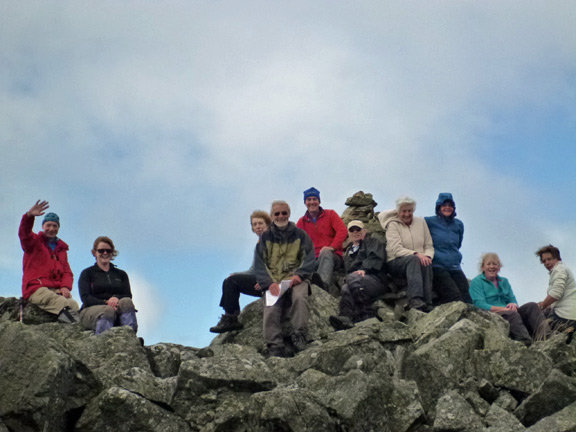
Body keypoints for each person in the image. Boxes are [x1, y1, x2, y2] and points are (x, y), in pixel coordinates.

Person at [254, 200, 315, 357]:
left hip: (296, 279)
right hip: (275, 281)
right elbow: (260, 265)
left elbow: (309, 258)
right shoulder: (264, 238)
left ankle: (300, 335)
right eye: (277, 213)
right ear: (272, 216)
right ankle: (275, 346)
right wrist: (269, 283)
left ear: (289, 214)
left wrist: (299, 275)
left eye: (284, 213)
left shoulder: (301, 235)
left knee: (300, 298)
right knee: (271, 307)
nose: (281, 216)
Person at [210, 210, 272, 333]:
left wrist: (266, 280)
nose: (258, 227)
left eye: (260, 223)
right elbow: (253, 269)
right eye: (255, 224)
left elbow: (279, 265)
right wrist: (238, 275)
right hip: (260, 281)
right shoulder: (259, 244)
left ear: (268, 225)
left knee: (232, 282)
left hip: (272, 283)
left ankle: (231, 319)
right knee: (229, 280)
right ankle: (230, 317)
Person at [19, 200, 79, 323]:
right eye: (48, 225)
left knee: (73, 304)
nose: (51, 229)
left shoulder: (61, 250)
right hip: (36, 288)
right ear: (43, 226)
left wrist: (65, 287)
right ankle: (73, 325)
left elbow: (67, 272)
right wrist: (29, 216)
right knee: (61, 303)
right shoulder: (34, 242)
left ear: (58, 228)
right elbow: (24, 234)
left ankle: (71, 325)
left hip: (55, 289)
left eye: (54, 226)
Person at [469, 253, 549, 344]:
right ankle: (526, 343)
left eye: (495, 264)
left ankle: (547, 338)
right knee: (511, 314)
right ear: (483, 267)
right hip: (491, 314)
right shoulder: (477, 282)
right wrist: (504, 309)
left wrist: (513, 304)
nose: (492, 266)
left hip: (508, 311)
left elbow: (512, 299)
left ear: (499, 268)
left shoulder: (504, 281)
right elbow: (479, 304)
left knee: (532, 306)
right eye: (488, 264)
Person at [329, 220, 388, 330]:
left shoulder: (373, 242)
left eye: (358, 229)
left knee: (352, 278)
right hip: (356, 281)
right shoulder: (347, 252)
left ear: (364, 231)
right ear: (349, 234)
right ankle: (345, 317)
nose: (355, 232)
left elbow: (376, 258)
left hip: (377, 279)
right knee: (346, 288)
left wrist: (364, 269)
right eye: (352, 230)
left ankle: (367, 313)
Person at [378, 196, 434, 312]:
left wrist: (427, 256)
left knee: (426, 262)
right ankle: (415, 299)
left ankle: (428, 302)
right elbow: (396, 249)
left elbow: (428, 245)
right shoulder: (392, 224)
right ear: (398, 212)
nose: (407, 214)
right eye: (404, 211)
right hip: (395, 261)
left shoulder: (421, 222)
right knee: (414, 259)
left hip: (417, 259)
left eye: (409, 211)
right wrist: (417, 254)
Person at [78, 236, 138, 335]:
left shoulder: (121, 274)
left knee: (126, 302)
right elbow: (85, 298)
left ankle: (130, 336)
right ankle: (103, 339)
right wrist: (106, 303)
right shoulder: (87, 273)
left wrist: (116, 298)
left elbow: (128, 295)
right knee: (108, 310)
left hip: (116, 308)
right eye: (101, 251)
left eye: (108, 251)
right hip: (91, 311)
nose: (105, 253)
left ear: (112, 253)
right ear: (95, 253)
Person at [425, 193, 472, 305]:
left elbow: (458, 244)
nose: (447, 207)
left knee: (467, 298)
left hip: (455, 266)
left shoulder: (458, 224)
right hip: (437, 266)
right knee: (455, 297)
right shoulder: (429, 222)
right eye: (444, 205)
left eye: (450, 205)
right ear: (438, 207)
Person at [296, 187, 348, 290]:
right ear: (305, 202)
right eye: (309, 199)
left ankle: (322, 285)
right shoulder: (301, 222)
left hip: (333, 256)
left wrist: (332, 247)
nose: (312, 202)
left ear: (319, 201)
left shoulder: (330, 214)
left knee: (325, 253)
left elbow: (342, 231)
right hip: (313, 260)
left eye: (315, 199)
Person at [535, 245, 576, 332]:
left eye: (549, 259)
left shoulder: (559, 269)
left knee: (534, 322)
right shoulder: (562, 269)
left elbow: (556, 294)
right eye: (544, 261)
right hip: (569, 315)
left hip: (564, 317)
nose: (546, 263)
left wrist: (541, 306)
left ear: (557, 258)